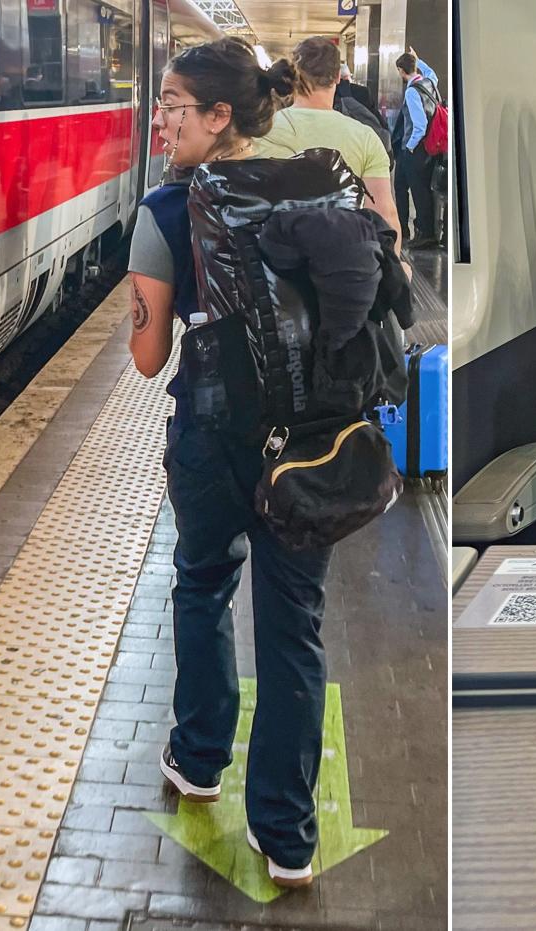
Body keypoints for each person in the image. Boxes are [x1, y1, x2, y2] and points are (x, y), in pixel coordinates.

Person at [128, 37, 334, 889]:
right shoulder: (319, 188)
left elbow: (145, 358)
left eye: (173, 105)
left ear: (219, 117)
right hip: (313, 444)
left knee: (204, 582)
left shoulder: (166, 210)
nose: (162, 121)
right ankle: (286, 835)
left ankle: (199, 755)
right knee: (295, 625)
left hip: (213, 442)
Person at [252, 36, 402, 252]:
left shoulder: (261, 131)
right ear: (337, 78)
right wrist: (394, 275)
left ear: (293, 77)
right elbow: (384, 215)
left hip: (273, 265)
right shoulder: (365, 137)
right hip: (343, 266)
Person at [392, 51, 439, 248]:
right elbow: (431, 72)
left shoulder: (412, 92)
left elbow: (418, 126)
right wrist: (418, 59)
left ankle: (420, 233)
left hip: (414, 150)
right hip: (429, 149)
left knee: (415, 191)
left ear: (401, 71)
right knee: (417, 189)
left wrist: (410, 147)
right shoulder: (430, 82)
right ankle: (415, 229)